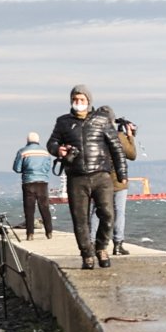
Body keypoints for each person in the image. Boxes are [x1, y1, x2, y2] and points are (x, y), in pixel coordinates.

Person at [47, 85, 125, 268]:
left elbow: (116, 148)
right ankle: (87, 254)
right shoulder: (63, 122)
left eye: (82, 100)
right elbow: (52, 143)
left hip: (101, 174)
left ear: (89, 101)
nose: (78, 103)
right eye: (75, 99)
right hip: (76, 177)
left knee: (107, 214)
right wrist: (58, 149)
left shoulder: (101, 120)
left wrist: (122, 173)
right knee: (80, 218)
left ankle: (101, 247)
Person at [12, 132, 58, 236]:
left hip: (28, 182)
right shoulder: (45, 153)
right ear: (38, 140)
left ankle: (30, 234)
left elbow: (17, 168)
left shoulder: (22, 152)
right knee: (44, 207)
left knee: (29, 209)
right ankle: (49, 231)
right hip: (42, 182)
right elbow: (47, 168)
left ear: (27, 140)